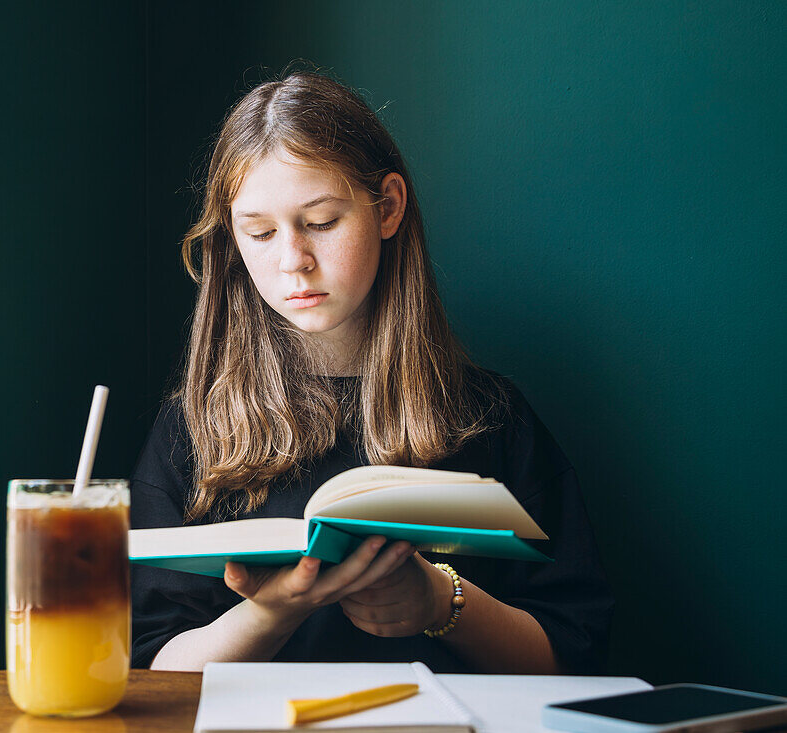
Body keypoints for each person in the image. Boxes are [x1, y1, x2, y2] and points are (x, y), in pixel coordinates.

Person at [131, 70, 613, 674]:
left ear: (387, 207)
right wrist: (274, 612)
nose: (293, 261)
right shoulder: (194, 427)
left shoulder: (490, 417)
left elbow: (571, 650)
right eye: (258, 232)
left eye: (323, 221)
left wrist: (440, 601)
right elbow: (148, 666)